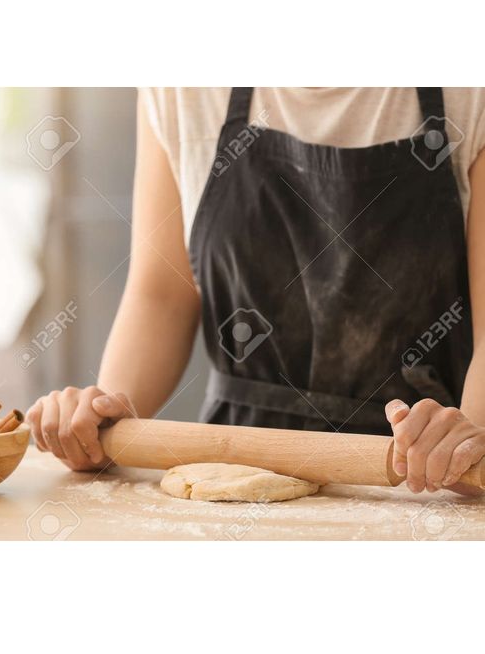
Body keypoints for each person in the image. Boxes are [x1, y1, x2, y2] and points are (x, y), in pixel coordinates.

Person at [26, 87, 485, 495]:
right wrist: (100, 423)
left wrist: (468, 444)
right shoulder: (182, 88)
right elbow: (161, 294)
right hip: (233, 463)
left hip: (414, 469)